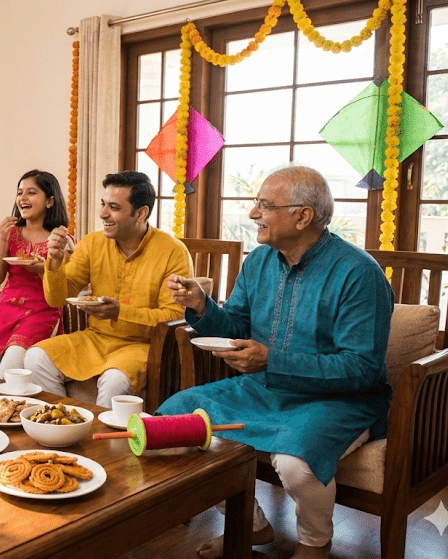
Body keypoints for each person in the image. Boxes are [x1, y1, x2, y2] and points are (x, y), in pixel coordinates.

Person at [160, 165, 393, 559]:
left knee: (293, 460)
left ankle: (315, 544)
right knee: (176, 420)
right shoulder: (259, 261)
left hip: (342, 400)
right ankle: (252, 526)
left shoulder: (359, 273)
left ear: (303, 216)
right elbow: (236, 324)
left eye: (265, 206)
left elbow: (361, 368)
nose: (253, 214)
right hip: (266, 388)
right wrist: (202, 304)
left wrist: (272, 359)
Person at [22, 170, 192, 407]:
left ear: (141, 213)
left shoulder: (173, 252)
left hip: (142, 346)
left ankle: (99, 442)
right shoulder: (93, 243)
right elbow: (58, 298)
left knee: (114, 380)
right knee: (35, 357)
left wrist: (120, 312)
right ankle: (63, 426)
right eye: (103, 204)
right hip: (96, 339)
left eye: (114, 207)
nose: (103, 213)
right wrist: (55, 262)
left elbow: (174, 316)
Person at [0, 170, 70, 380]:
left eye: (31, 193)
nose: (22, 198)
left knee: (10, 369)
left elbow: (65, 287)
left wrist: (44, 270)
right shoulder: (12, 234)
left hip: (42, 311)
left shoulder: (61, 238)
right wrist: (2, 239)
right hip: (6, 310)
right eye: (20, 193)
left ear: (50, 201)